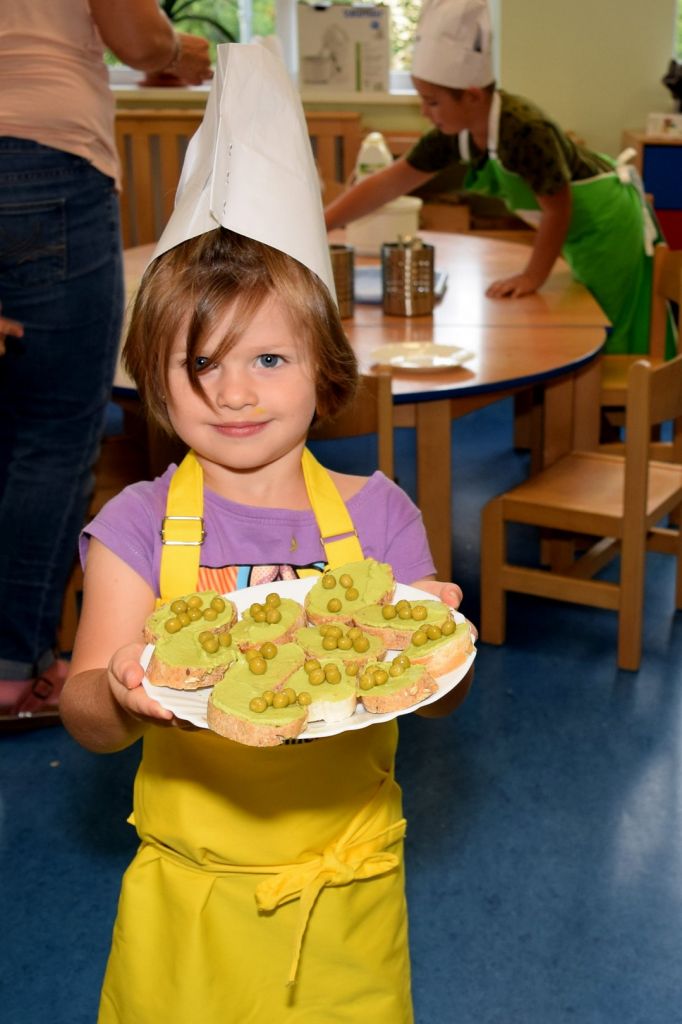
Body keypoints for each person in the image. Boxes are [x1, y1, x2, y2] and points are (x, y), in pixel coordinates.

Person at [59, 44, 474, 1023]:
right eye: (199, 362)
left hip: (346, 889)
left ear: (324, 368)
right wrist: (120, 690)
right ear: (153, 378)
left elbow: (437, 705)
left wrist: (432, 646)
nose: (234, 392)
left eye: (270, 358)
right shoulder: (137, 523)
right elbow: (84, 714)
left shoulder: (380, 514)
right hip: (191, 902)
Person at [0, 0, 212, 730]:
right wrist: (176, 50)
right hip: (43, 158)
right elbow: (135, 34)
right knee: (55, 432)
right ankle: (14, 666)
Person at [325, 0, 666, 357]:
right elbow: (389, 183)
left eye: (433, 102)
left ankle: (633, 390)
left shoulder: (525, 131)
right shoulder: (455, 133)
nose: (425, 112)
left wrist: (532, 276)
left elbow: (558, 209)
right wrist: (324, 223)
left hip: (607, 227)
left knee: (606, 335)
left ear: (472, 96)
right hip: (576, 233)